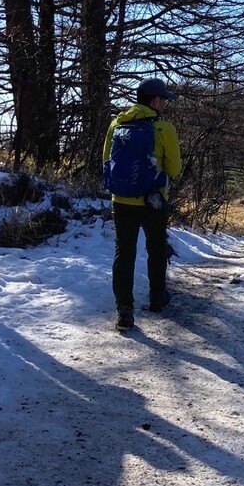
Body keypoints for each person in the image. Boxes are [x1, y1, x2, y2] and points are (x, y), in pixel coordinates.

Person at [103, 77, 182, 332]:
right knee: (156, 248)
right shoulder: (163, 128)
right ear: (155, 100)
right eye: (164, 100)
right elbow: (174, 167)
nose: (166, 106)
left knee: (124, 252)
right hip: (153, 200)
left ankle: (124, 310)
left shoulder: (116, 123)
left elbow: (106, 161)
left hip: (121, 200)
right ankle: (157, 298)